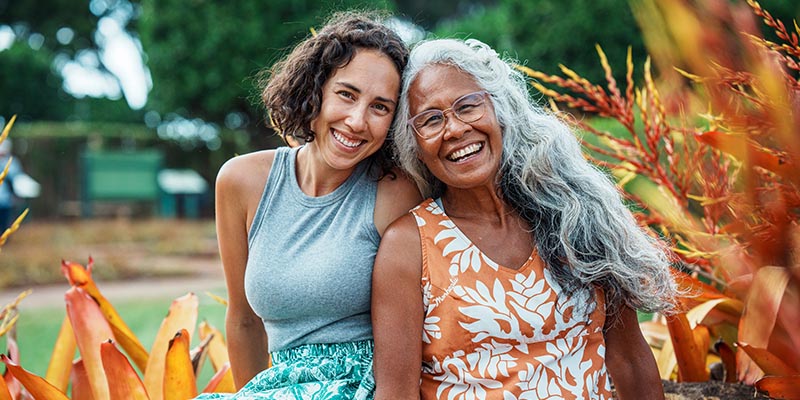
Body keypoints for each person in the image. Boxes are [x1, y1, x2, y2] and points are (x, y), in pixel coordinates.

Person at [372, 38, 679, 400]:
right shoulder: (408, 246)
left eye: (467, 106)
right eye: (431, 120)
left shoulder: (573, 213)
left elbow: (629, 359)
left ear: (500, 111)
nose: (454, 129)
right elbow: (396, 393)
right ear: (415, 146)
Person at [196, 11, 420, 399]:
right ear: (315, 90)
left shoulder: (395, 192)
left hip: (365, 383)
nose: (356, 121)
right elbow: (245, 320)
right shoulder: (240, 181)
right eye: (346, 94)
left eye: (380, 107)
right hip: (281, 386)